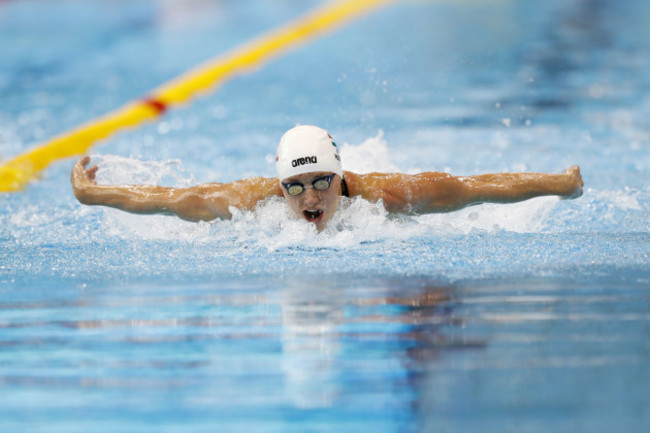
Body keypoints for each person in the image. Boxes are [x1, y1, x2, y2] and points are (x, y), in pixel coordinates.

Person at [71, 125, 583, 231]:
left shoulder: (390, 196)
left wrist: (562, 184)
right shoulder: (245, 203)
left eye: (321, 183)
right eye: (295, 186)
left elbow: (477, 187)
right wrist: (93, 195)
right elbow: (167, 199)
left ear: (341, 180)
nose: (309, 197)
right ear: (279, 187)